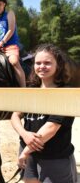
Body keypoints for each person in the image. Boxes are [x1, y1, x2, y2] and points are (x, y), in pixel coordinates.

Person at [11, 44, 77, 183]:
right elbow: (15, 115)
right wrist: (24, 134)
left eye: (47, 63)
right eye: (38, 63)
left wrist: (25, 152)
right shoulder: (31, 89)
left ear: (58, 65)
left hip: (54, 156)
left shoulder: (65, 92)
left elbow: (51, 128)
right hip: (28, 150)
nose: (42, 66)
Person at [0, 0, 26, 87]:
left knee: (14, 61)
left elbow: (11, 29)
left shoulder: (9, 14)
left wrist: (2, 42)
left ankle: (24, 88)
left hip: (10, 46)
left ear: (4, 4)